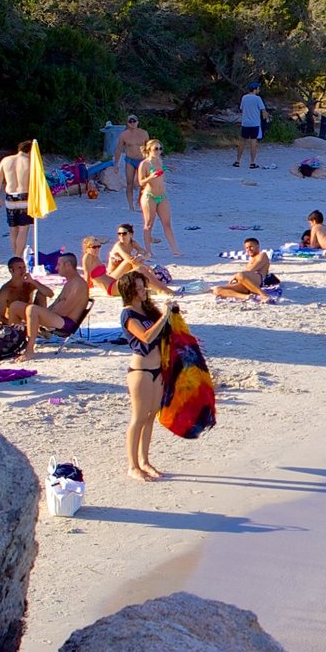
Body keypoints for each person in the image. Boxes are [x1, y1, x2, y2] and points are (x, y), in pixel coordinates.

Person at [116, 274, 173, 481]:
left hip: (157, 369)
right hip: (141, 371)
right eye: (138, 288)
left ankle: (145, 461)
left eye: (143, 287)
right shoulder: (128, 314)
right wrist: (164, 316)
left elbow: (163, 333)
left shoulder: (147, 310)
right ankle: (133, 466)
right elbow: (146, 336)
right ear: (129, 291)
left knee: (150, 416)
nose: (143, 291)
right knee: (138, 417)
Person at [17, 253, 93, 341]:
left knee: (32, 309)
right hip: (57, 318)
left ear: (68, 265)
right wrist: (42, 315)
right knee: (16, 306)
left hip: (65, 323)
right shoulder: (69, 283)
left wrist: (41, 318)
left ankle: (30, 346)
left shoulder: (79, 285)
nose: (56, 268)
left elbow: (64, 311)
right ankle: (14, 340)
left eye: (59, 265)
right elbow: (56, 303)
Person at [0, 141, 36, 258]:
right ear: (30, 151)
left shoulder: (6, 160)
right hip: (24, 196)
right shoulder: (30, 162)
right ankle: (18, 256)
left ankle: (15, 255)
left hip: (10, 197)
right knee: (23, 229)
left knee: (13, 229)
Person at [138, 139, 180, 255]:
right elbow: (140, 182)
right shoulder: (145, 164)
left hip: (162, 196)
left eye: (160, 148)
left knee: (167, 223)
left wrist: (168, 168)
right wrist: (150, 177)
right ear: (149, 149)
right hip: (149, 196)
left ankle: (175, 249)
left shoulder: (159, 161)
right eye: (156, 149)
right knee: (149, 224)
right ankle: (148, 250)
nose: (158, 151)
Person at [216, 238, 282, 302]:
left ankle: (263, 295)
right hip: (246, 284)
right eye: (247, 248)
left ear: (257, 246)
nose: (249, 249)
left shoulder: (262, 255)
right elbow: (245, 275)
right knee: (217, 290)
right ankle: (246, 297)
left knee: (240, 275)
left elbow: (251, 270)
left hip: (258, 280)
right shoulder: (250, 260)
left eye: (251, 247)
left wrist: (236, 276)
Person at [0, 256, 50, 328]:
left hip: (29, 315)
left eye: (24, 267)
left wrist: (33, 282)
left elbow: (50, 294)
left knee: (41, 294)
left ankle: (42, 324)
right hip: (15, 320)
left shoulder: (29, 284)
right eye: (19, 268)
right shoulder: (6, 290)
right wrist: (14, 324)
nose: (23, 270)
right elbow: (1, 317)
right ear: (11, 270)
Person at [115, 116, 151, 214]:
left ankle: (139, 202)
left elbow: (149, 148)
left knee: (143, 183)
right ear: (127, 123)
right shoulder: (124, 135)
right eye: (130, 121)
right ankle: (130, 206)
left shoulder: (144, 133)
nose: (132, 123)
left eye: (134, 121)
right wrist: (116, 164)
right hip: (130, 161)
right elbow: (119, 149)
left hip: (142, 160)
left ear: (137, 122)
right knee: (129, 183)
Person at [236, 82, 267, 169]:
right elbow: (263, 110)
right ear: (255, 89)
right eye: (258, 88)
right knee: (253, 142)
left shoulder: (244, 97)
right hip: (254, 123)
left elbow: (242, 108)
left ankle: (237, 161)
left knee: (242, 142)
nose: (259, 90)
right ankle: (252, 163)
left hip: (245, 123)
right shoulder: (257, 98)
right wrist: (265, 121)